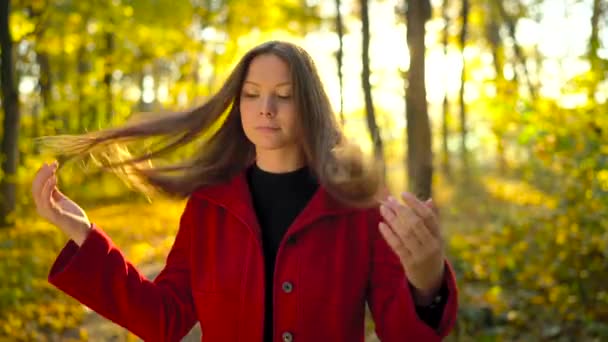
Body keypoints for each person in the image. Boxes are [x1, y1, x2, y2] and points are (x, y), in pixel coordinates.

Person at [32, 40, 458, 342]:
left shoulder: (359, 209)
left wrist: (425, 284)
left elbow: (403, 333)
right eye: (251, 95)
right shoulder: (209, 206)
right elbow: (164, 319)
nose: (265, 108)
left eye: (284, 96)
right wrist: (85, 235)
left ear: (309, 106)